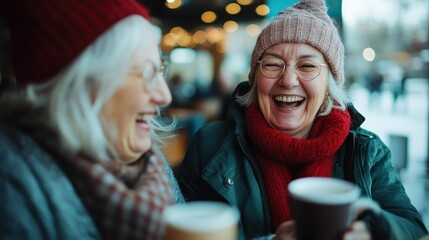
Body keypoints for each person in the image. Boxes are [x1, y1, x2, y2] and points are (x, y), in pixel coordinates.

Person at [177, 0, 429, 239]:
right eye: (273, 65)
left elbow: (413, 229)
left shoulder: (367, 151)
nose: (288, 81)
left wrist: (374, 230)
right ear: (255, 80)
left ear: (329, 86)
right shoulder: (210, 146)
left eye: (307, 66)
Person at [0, 0, 184, 239]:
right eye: (146, 73)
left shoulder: (151, 161)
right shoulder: (13, 183)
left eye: (159, 71)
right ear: (77, 85)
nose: (164, 96)